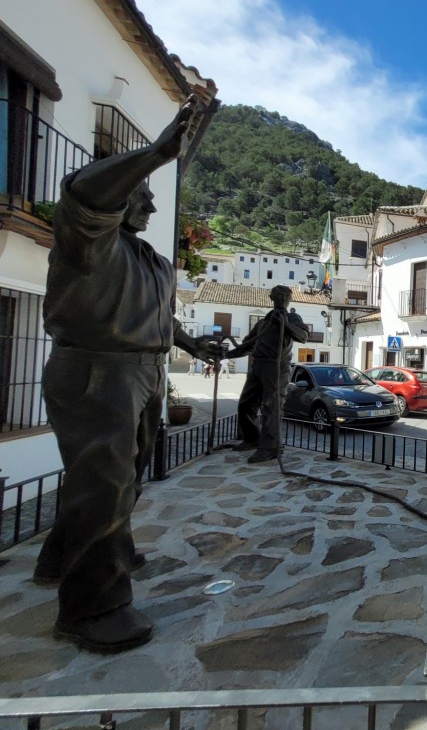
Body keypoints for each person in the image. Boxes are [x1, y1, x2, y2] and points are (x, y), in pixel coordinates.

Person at [32, 96, 222, 654]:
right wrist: (157, 154)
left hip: (144, 372)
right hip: (98, 370)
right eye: (143, 193)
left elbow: (161, 320)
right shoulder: (87, 242)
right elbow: (86, 196)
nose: (153, 206)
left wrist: (195, 343)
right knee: (106, 484)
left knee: (120, 479)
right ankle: (93, 608)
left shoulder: (152, 261)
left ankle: (63, 557)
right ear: (121, 195)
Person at [223, 286, 308, 463]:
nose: (282, 298)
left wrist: (284, 324)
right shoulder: (262, 323)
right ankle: (252, 438)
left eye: (286, 296)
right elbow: (248, 345)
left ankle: (270, 447)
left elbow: (303, 336)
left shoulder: (292, 317)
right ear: (271, 297)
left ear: (290, 299)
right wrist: (227, 355)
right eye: (279, 295)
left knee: (272, 407)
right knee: (246, 404)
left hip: (277, 367)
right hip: (258, 365)